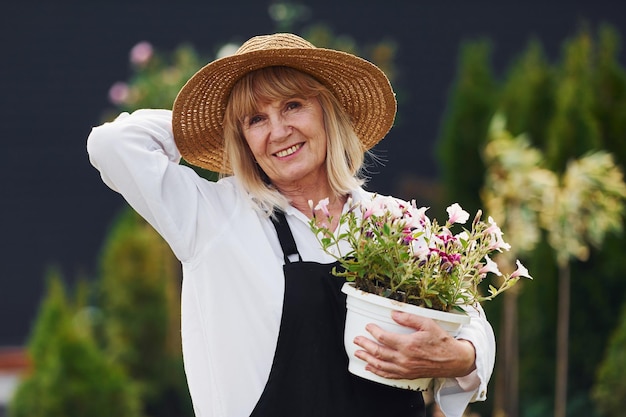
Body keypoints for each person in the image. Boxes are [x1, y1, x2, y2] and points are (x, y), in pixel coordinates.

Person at [87, 33, 495, 417]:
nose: (279, 132)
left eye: (292, 106)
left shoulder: (392, 221)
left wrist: (462, 356)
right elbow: (112, 145)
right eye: (255, 120)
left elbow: (470, 318)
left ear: (327, 112)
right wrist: (209, 127)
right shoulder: (214, 218)